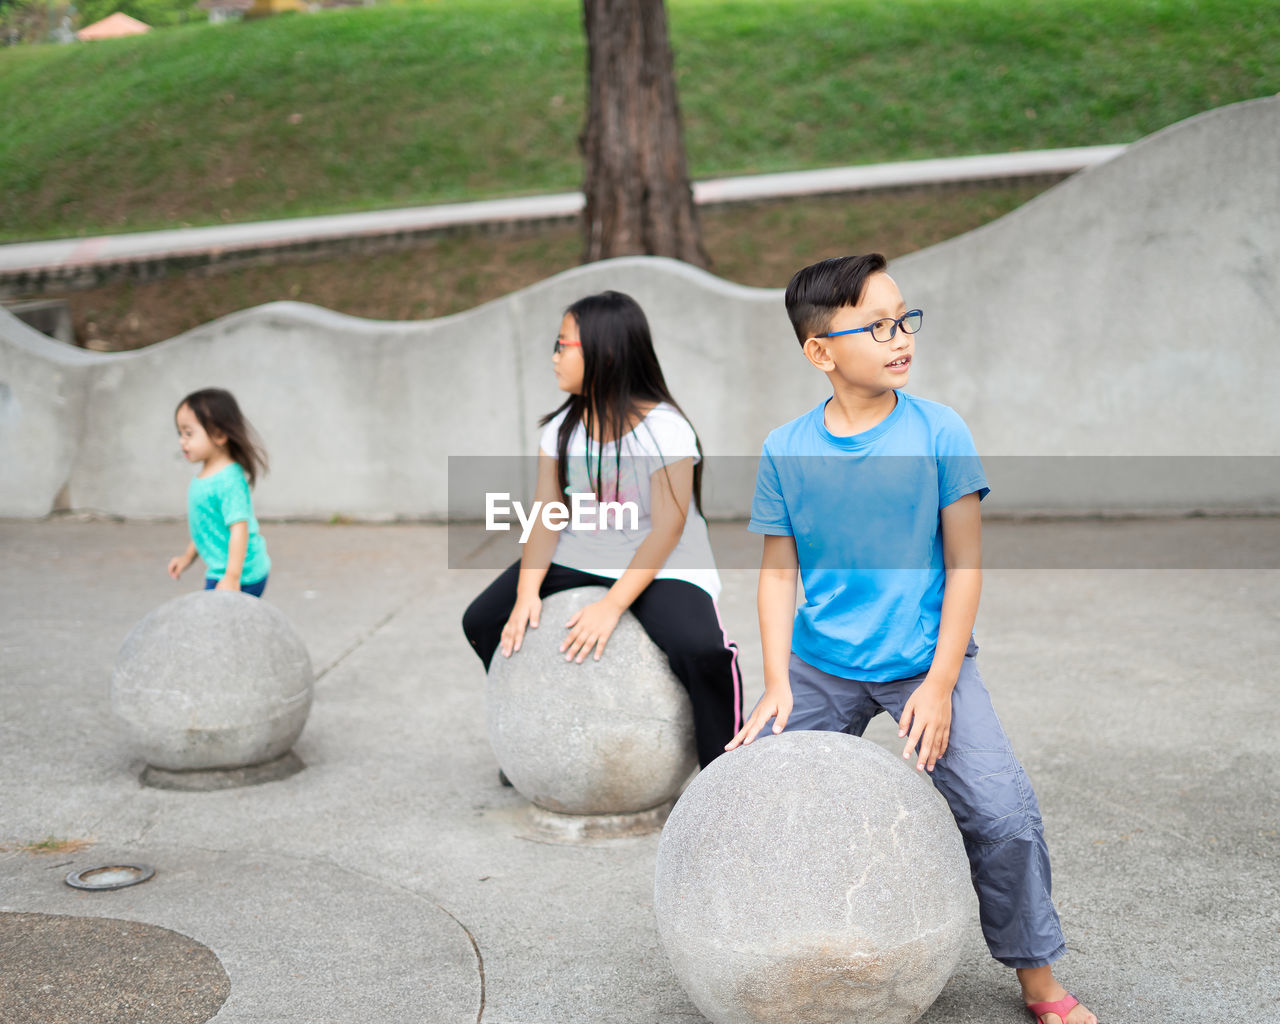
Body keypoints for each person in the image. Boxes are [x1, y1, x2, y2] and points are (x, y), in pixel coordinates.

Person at [726, 255, 1096, 1024]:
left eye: (905, 320)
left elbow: (964, 565)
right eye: (878, 326)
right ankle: (793, 953)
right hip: (820, 664)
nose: (900, 339)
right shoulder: (785, 450)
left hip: (926, 663)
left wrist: (939, 681)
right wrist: (776, 683)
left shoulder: (938, 430)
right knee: (757, 799)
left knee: (1002, 812)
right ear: (820, 352)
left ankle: (1037, 976)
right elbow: (774, 577)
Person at [462, 290, 742, 770]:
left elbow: (668, 528)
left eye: (562, 344)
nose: (553, 356)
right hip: (583, 549)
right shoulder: (560, 429)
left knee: (701, 650)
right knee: (483, 619)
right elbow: (547, 511)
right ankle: (528, 741)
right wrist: (528, 591)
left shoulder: (665, 429)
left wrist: (612, 606)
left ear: (603, 353)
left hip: (664, 558)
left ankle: (726, 771)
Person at [167, 388, 271, 597]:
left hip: (243, 575)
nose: (182, 441)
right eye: (180, 434)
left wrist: (232, 577)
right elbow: (205, 525)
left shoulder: (229, 480)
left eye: (189, 433)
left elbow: (239, 529)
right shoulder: (206, 476)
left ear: (219, 434)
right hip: (222, 571)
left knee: (218, 626)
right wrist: (187, 557)